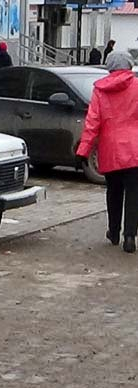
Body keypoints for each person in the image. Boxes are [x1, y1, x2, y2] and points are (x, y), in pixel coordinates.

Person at [77, 52, 138, 253]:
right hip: (134, 149)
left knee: (114, 192)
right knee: (134, 194)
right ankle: (129, 237)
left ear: (109, 67)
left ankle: (113, 232)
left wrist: (83, 150)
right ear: (129, 66)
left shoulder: (100, 90)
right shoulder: (136, 87)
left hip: (110, 148)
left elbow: (92, 122)